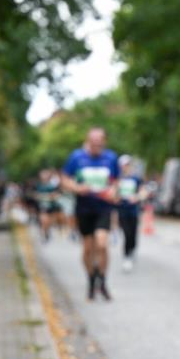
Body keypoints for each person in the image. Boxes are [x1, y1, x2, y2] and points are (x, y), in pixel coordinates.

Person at [62, 127, 120, 301]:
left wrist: (113, 191)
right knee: (88, 248)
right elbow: (65, 179)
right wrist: (78, 188)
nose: (97, 145)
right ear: (88, 140)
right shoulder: (77, 157)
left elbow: (116, 181)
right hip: (84, 208)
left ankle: (102, 280)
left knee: (102, 244)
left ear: (104, 142)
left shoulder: (110, 158)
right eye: (93, 141)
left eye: (100, 142)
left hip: (103, 207)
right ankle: (90, 278)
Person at [116, 155, 145, 272]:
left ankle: (132, 250)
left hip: (133, 210)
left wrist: (137, 197)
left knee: (133, 234)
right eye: (124, 165)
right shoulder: (117, 179)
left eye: (128, 165)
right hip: (122, 210)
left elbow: (143, 191)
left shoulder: (136, 179)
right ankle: (126, 256)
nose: (126, 167)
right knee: (126, 233)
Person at [34, 168, 63, 243]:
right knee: (44, 220)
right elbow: (35, 195)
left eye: (45, 174)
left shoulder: (52, 185)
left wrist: (51, 196)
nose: (44, 176)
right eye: (43, 175)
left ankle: (47, 231)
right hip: (42, 206)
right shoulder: (38, 185)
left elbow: (57, 194)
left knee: (49, 221)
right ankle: (44, 234)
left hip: (52, 206)